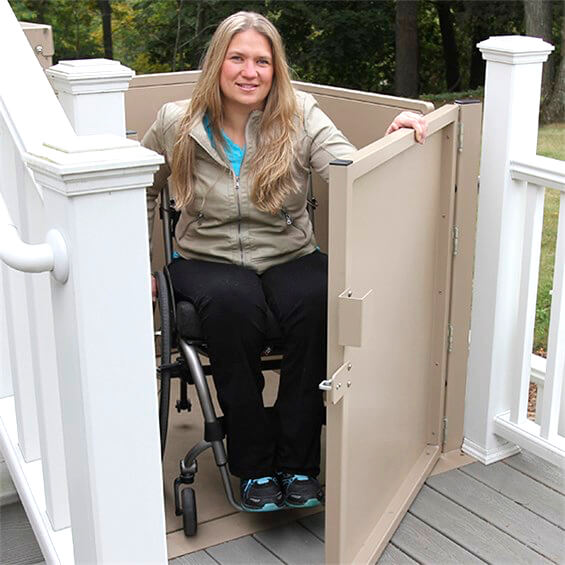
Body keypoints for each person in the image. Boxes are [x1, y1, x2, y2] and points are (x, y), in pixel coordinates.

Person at [142, 11, 427, 513]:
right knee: (233, 306)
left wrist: (393, 136)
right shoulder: (175, 122)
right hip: (205, 258)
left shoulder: (301, 117)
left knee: (320, 298)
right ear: (217, 63)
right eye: (238, 58)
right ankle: (253, 466)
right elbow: (134, 190)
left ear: (276, 70)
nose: (249, 71)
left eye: (262, 61)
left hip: (288, 252)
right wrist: (133, 266)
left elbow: (350, 168)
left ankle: (298, 463)